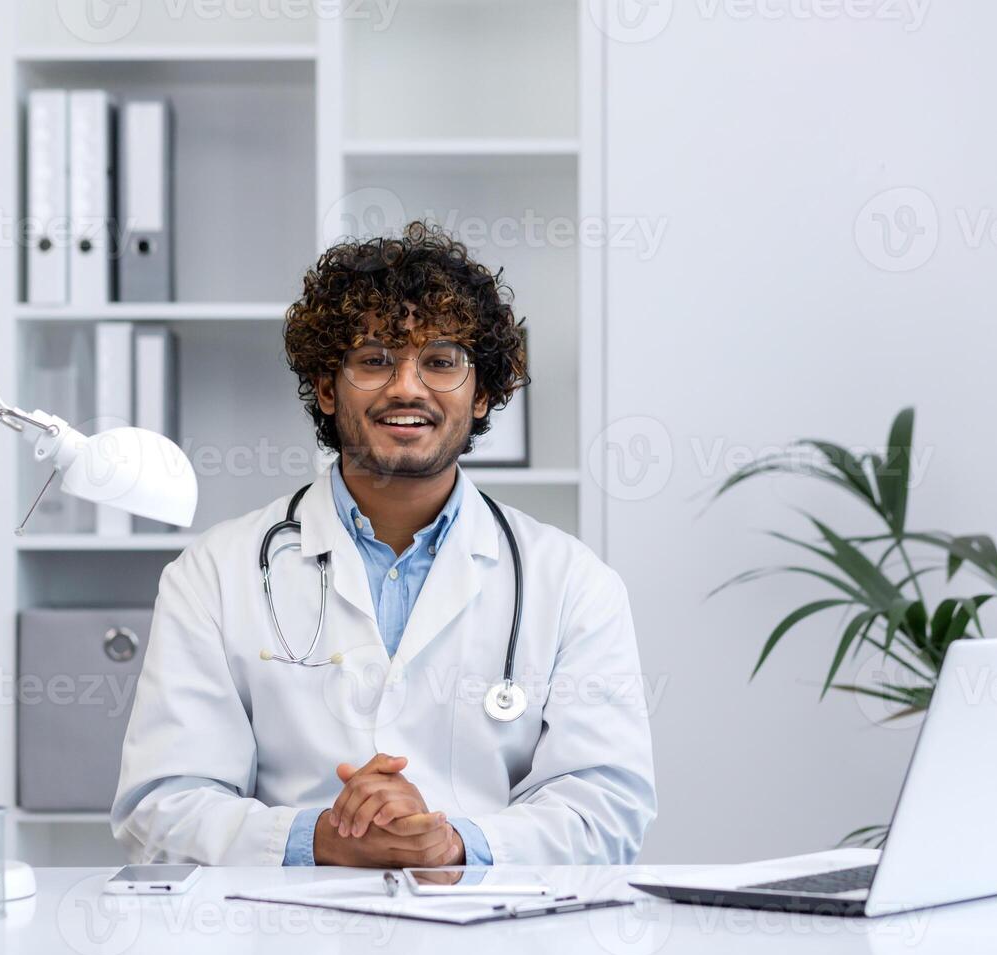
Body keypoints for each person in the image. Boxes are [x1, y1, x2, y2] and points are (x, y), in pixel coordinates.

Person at [111, 222, 656, 866]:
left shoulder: (570, 583)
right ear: (324, 387)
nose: (406, 386)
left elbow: (607, 807)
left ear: (481, 394)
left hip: (488, 947)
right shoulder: (213, 573)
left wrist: (454, 845)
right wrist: (320, 839)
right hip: (285, 940)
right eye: (374, 360)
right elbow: (164, 801)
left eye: (441, 361)